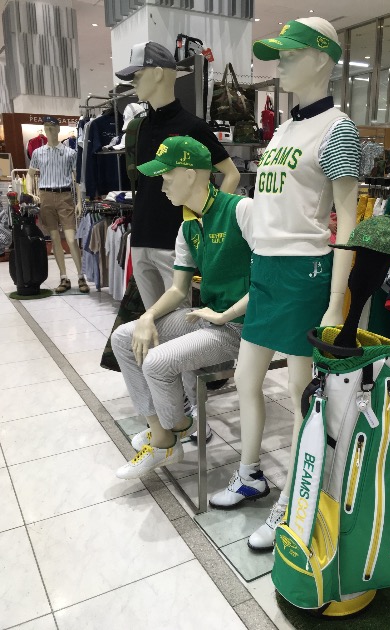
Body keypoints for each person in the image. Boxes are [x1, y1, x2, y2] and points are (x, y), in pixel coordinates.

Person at [210, 17, 361, 551]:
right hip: (267, 268)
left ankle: (295, 501)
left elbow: (347, 219)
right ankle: (251, 474)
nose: (281, 65)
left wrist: (336, 301)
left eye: (291, 55)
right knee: (245, 376)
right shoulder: (283, 128)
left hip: (304, 272)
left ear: (321, 58)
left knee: (300, 393)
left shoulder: (338, 129)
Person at [111, 136, 252, 479]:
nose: (162, 188)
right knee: (123, 338)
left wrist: (226, 315)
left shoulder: (241, 209)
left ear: (190, 174)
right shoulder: (188, 225)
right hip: (207, 318)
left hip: (242, 327)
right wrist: (147, 316)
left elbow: (271, 276)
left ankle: (168, 438)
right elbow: (178, 289)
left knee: (157, 362)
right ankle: (166, 429)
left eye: (166, 177)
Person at [115, 42, 240, 311]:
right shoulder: (138, 128)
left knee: (178, 324)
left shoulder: (192, 126)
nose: (133, 82)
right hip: (140, 238)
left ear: (158, 73)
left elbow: (231, 173)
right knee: (152, 320)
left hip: (175, 241)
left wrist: (210, 221)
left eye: (137, 75)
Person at [27, 115, 89, 294]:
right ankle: (64, 277)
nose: (49, 130)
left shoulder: (70, 153)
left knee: (71, 239)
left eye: (52, 126)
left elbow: (77, 179)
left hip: (65, 196)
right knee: (54, 239)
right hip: (45, 197)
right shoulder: (38, 153)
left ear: (58, 129)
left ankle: (81, 276)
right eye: (46, 127)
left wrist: (79, 201)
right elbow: (30, 174)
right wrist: (31, 192)